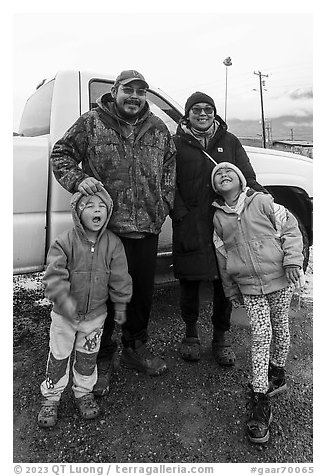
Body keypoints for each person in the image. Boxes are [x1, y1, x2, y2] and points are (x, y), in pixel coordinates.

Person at [50, 70, 176, 395]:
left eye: (141, 91)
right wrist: (79, 181)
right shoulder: (92, 122)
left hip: (146, 228)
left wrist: (162, 204)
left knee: (141, 294)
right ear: (116, 91)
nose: (134, 96)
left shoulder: (159, 129)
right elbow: (61, 154)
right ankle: (101, 354)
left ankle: (135, 347)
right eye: (128, 90)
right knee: (102, 296)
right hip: (105, 232)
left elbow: (170, 169)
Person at [171, 91, 267, 365]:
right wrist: (180, 215)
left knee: (225, 281)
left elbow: (248, 178)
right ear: (187, 114)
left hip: (226, 222)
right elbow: (169, 183)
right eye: (196, 109)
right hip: (190, 223)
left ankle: (220, 337)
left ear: (214, 113)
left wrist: (263, 200)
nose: (203, 114)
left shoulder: (230, 141)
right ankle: (190, 334)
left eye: (208, 109)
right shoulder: (176, 144)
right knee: (189, 281)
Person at [211, 162, 304, 444]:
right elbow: (222, 256)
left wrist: (292, 260)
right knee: (261, 335)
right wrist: (230, 289)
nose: (224, 175)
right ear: (215, 188)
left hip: (279, 278)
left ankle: (277, 371)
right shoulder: (218, 219)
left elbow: (291, 228)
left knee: (281, 328)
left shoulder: (263, 201)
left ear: (240, 180)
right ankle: (260, 396)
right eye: (218, 175)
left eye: (229, 172)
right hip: (249, 287)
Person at [38, 190, 132, 427]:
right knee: (59, 355)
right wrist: (65, 303)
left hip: (95, 317)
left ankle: (83, 393)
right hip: (64, 316)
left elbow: (120, 278)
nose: (97, 209)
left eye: (102, 205)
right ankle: (51, 397)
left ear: (108, 212)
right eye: (89, 205)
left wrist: (120, 303)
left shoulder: (113, 244)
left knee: (88, 357)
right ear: (78, 213)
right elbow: (54, 276)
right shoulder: (64, 241)